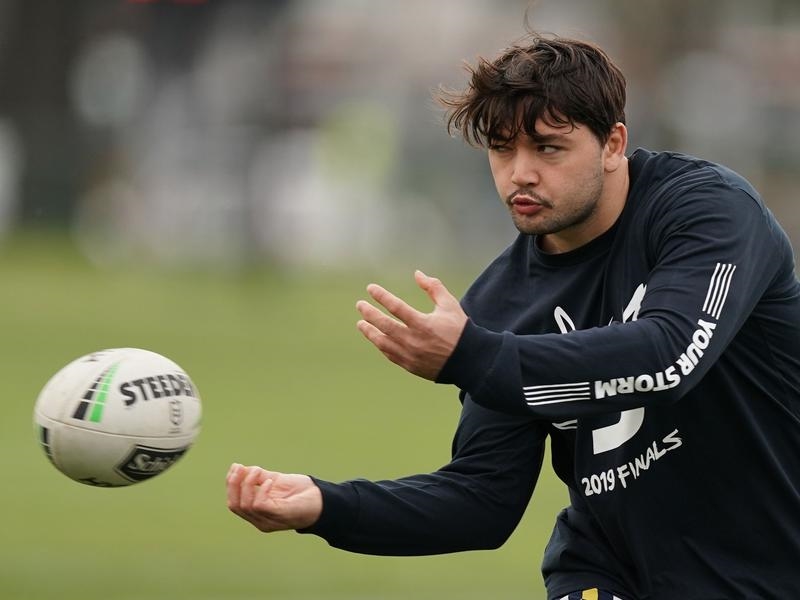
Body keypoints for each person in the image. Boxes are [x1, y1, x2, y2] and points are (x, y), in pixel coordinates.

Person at [226, 33, 800, 599]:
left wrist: (471, 356)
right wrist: (325, 504)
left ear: (612, 144)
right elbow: (482, 500)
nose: (520, 173)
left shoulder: (707, 212)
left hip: (769, 566)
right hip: (609, 572)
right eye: (502, 149)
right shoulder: (501, 305)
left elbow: (670, 358)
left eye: (547, 148)